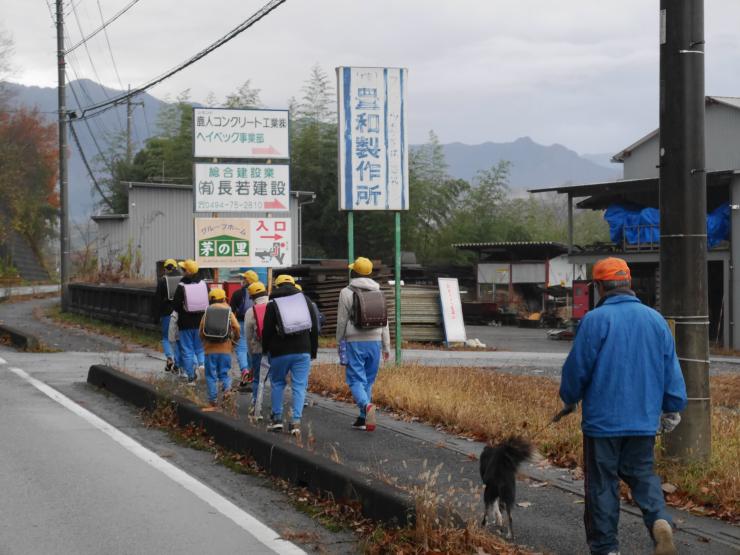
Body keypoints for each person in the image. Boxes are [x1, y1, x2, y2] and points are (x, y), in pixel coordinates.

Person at [557, 257, 687, 555]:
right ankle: (659, 520)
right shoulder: (656, 320)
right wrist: (672, 406)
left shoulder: (595, 320)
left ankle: (607, 549)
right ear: (628, 283)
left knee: (602, 485)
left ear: (600, 287)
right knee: (642, 475)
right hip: (643, 422)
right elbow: (671, 369)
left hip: (602, 424)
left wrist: (569, 397)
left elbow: (578, 369)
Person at [335, 256, 390, 432]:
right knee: (368, 380)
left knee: (355, 379)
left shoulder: (346, 292)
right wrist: (386, 346)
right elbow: (385, 321)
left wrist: (339, 341)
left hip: (355, 340)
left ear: (354, 271)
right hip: (375, 340)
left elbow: (342, 320)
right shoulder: (378, 290)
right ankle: (363, 418)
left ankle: (366, 406)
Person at [261, 274, 318, 436]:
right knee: (299, 386)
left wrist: (266, 349)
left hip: (279, 351)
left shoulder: (272, 303)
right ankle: (296, 423)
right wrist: (312, 351)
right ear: (293, 284)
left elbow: (267, 330)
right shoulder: (305, 300)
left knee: (278, 383)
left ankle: (277, 419)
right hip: (303, 350)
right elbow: (314, 328)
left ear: (277, 286)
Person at [199, 288, 240, 409]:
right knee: (224, 374)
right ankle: (227, 390)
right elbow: (237, 327)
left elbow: (201, 330)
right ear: (223, 299)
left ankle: (213, 400)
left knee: (211, 376)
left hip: (209, 350)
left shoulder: (207, 312)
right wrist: (235, 340)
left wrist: (204, 341)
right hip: (225, 349)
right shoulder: (228, 311)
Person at [172, 259, 208, 385]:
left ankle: (191, 377)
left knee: (187, 350)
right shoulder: (203, 284)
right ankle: (202, 365)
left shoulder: (182, 286)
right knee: (200, 348)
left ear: (187, 271)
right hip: (201, 322)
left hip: (185, 323)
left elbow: (176, 306)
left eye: (183, 269)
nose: (182, 271)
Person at [243, 281, 269, 417]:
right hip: (275, 350)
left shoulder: (250, 312)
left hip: (258, 350)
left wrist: (250, 354)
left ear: (252, 297)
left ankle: (256, 408)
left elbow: (248, 336)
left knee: (258, 380)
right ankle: (277, 412)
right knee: (278, 381)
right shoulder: (274, 305)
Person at [230, 270, 259, 386]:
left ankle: (244, 370)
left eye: (244, 278)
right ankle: (252, 372)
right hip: (257, 323)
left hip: (242, 322)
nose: (242, 280)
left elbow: (231, 311)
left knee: (241, 348)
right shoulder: (262, 292)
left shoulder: (238, 294)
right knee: (252, 348)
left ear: (247, 281)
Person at [154, 258, 182, 373]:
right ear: (176, 267)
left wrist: (156, 316)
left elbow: (157, 300)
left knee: (166, 338)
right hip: (180, 313)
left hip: (166, 313)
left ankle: (169, 357)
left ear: (165, 269)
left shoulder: (162, 281)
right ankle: (177, 364)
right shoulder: (182, 279)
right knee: (178, 339)